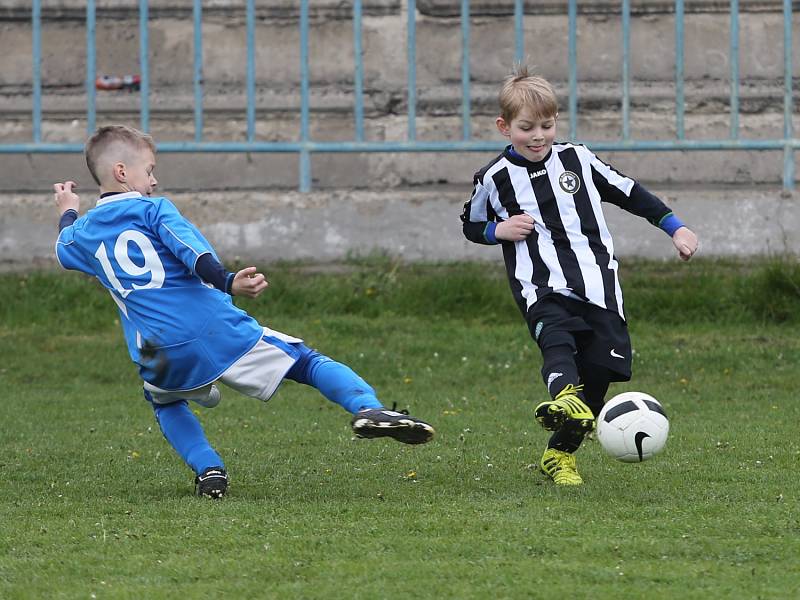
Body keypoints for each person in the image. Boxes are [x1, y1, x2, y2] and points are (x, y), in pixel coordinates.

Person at [53, 124, 435, 499]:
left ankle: (209, 469)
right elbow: (193, 253)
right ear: (122, 172)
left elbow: (63, 247)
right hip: (212, 328)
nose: (153, 180)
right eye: (149, 170)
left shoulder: (84, 232)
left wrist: (69, 210)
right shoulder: (154, 210)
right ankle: (369, 407)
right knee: (304, 362)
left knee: (165, 401)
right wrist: (228, 280)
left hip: (156, 348)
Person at [460, 66, 698, 485]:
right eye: (526, 128)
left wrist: (675, 227)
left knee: (601, 375)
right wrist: (498, 230)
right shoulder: (494, 177)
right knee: (557, 339)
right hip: (541, 285)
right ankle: (563, 396)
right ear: (504, 127)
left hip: (599, 285)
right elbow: (470, 224)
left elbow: (629, 192)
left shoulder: (578, 159)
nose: (538, 136)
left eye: (546, 126)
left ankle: (558, 455)